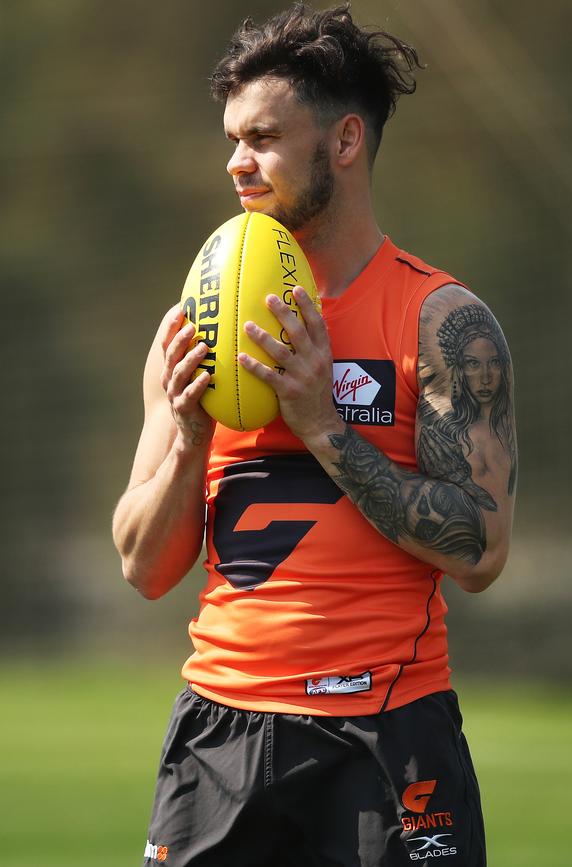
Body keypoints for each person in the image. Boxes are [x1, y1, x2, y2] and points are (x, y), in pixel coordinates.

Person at [112, 4, 517, 866]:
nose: (235, 161)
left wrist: (324, 428)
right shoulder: (194, 326)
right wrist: (188, 436)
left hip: (387, 735)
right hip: (221, 732)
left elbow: (480, 551)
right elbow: (143, 568)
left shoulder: (440, 321)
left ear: (343, 142)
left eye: (262, 136)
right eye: (230, 137)